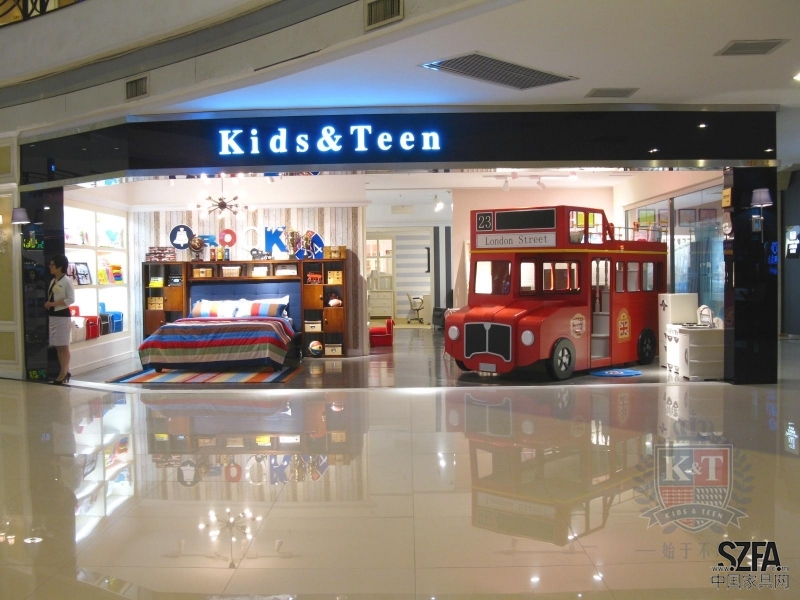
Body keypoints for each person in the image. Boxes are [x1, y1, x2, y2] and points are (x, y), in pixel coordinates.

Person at [44, 254, 75, 384]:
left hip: (62, 316)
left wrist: (53, 304)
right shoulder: (53, 281)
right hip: (53, 316)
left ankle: (63, 373)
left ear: (60, 267)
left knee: (63, 345)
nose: (50, 267)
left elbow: (71, 299)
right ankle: (64, 371)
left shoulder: (66, 281)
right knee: (58, 346)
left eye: (52, 265)